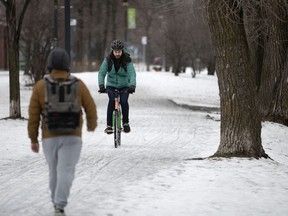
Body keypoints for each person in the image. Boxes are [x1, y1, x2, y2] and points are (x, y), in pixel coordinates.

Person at [28, 48, 97, 216]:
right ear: (67, 65)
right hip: (72, 137)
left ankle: (56, 203)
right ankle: (59, 206)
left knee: (53, 170)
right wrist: (91, 125)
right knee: (66, 170)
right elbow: (91, 107)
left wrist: (33, 139)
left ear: (49, 66)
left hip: (49, 137)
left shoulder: (40, 86)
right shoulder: (78, 85)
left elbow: (33, 115)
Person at [98, 39, 136, 134]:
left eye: (119, 51)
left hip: (124, 85)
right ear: (113, 51)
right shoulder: (108, 60)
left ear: (122, 51)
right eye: (115, 52)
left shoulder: (127, 59)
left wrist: (132, 85)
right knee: (111, 101)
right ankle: (109, 126)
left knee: (123, 101)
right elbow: (102, 72)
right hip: (111, 85)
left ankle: (126, 123)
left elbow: (132, 73)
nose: (117, 53)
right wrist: (101, 85)